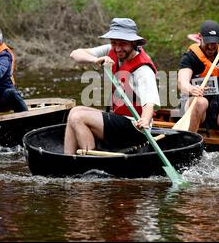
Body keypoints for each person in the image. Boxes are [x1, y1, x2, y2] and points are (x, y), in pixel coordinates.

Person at [65, 18, 160, 155]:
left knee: (78, 117)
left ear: (133, 43)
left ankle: (91, 163)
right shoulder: (111, 50)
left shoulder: (143, 69)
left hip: (136, 128)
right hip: (120, 120)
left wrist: (144, 119)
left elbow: (149, 103)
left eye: (123, 44)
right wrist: (95, 59)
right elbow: (75, 54)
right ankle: (68, 160)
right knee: (74, 111)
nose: (117, 48)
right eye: (114, 43)